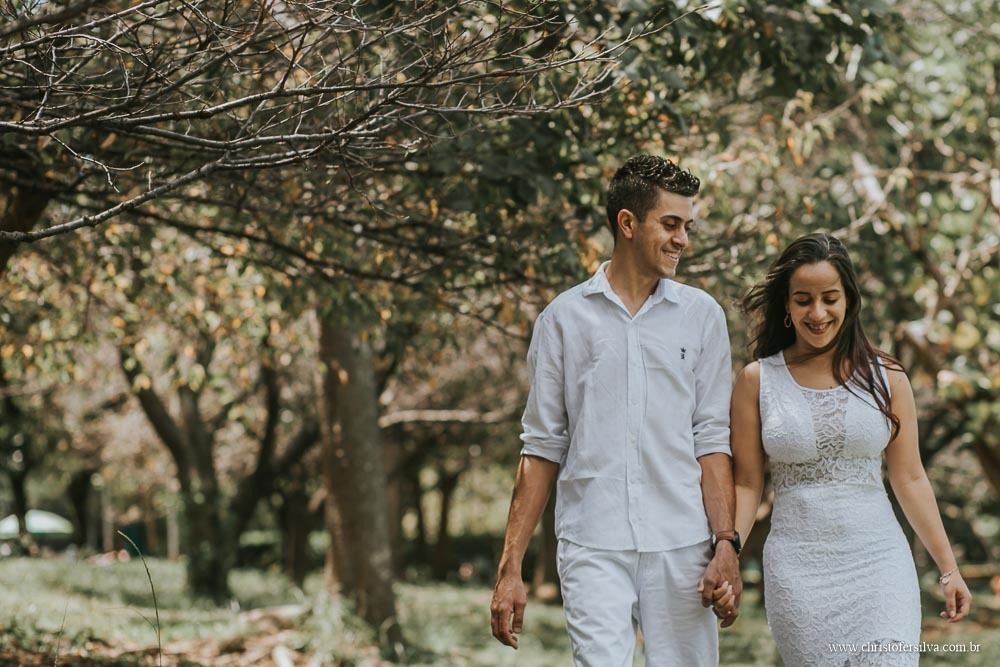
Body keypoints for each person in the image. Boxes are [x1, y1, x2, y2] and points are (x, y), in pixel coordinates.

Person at [489, 154, 741, 666]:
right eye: (670, 224)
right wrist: (509, 566)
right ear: (627, 223)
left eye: (687, 226)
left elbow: (711, 438)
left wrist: (725, 544)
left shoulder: (703, 317)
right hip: (591, 541)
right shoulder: (562, 320)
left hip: (682, 542)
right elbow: (540, 447)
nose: (683, 240)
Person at [730, 233, 972, 665]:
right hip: (798, 572)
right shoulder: (757, 381)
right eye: (803, 299)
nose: (817, 312)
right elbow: (748, 483)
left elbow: (910, 476)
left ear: (849, 300)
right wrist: (727, 553)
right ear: (786, 306)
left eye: (830, 298)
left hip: (879, 565)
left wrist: (948, 568)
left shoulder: (888, 377)